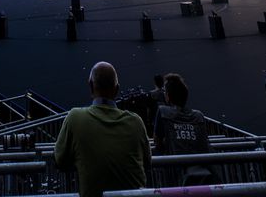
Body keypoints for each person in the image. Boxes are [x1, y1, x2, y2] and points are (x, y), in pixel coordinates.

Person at [54, 62, 151, 197]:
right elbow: (147, 163)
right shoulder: (136, 122)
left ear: (91, 86)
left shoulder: (75, 118)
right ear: (117, 89)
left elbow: (60, 161)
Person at [153, 73, 214, 186]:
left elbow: (157, 143)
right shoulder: (198, 116)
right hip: (202, 174)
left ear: (168, 97)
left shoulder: (163, 112)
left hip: (176, 174)